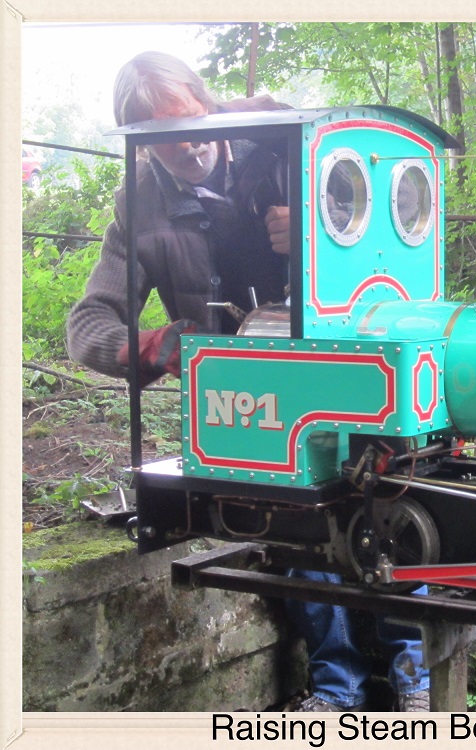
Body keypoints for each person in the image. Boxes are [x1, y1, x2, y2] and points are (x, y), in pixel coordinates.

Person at [66, 50, 430, 713]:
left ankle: (414, 678)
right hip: (254, 395)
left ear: (210, 107)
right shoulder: (138, 203)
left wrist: (318, 230)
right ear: (143, 145)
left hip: (343, 362)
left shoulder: (276, 149)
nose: (191, 145)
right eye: (165, 138)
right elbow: (88, 321)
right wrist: (152, 346)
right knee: (294, 533)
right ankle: (336, 692)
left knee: (392, 511)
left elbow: (371, 207)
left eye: (195, 120)